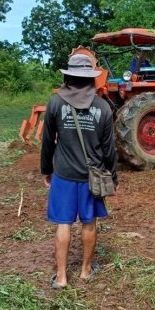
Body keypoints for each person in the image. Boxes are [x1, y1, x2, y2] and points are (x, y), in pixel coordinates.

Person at [40, 52, 118, 289]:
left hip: (63, 175)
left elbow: (47, 141)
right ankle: (85, 271)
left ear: (69, 77)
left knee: (63, 224)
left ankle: (62, 278)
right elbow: (109, 149)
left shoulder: (55, 103)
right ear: (91, 78)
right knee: (89, 223)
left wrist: (46, 170)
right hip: (91, 177)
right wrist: (112, 177)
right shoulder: (103, 107)